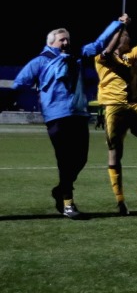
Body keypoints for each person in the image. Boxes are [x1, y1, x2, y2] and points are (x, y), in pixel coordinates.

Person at [81, 7, 137, 215]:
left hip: (134, 103)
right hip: (114, 107)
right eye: (126, 37)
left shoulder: (130, 56)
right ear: (117, 39)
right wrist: (120, 27)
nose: (129, 40)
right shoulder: (101, 58)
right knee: (115, 154)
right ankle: (120, 201)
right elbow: (106, 51)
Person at [13, 25, 91, 219]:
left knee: (81, 159)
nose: (66, 42)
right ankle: (67, 203)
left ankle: (60, 189)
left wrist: (118, 25)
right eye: (62, 39)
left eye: (68, 39)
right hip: (56, 117)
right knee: (65, 160)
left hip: (78, 115)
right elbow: (19, 83)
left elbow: (98, 46)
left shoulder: (75, 59)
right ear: (51, 42)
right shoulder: (40, 61)